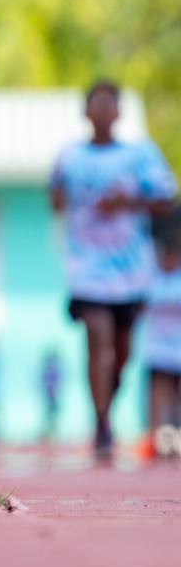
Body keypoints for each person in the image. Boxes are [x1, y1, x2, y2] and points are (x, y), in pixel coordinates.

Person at [49, 79, 177, 457]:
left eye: (110, 104)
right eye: (96, 104)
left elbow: (166, 200)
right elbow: (55, 197)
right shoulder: (69, 157)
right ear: (86, 112)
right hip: (86, 267)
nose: (103, 111)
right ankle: (102, 425)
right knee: (97, 337)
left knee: (122, 351)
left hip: (130, 270)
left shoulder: (141, 155)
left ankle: (108, 396)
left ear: (119, 112)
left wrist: (129, 201)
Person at [142, 225, 181, 459]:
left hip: (178, 348)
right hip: (157, 349)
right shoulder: (152, 278)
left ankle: (175, 439)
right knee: (157, 393)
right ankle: (156, 438)